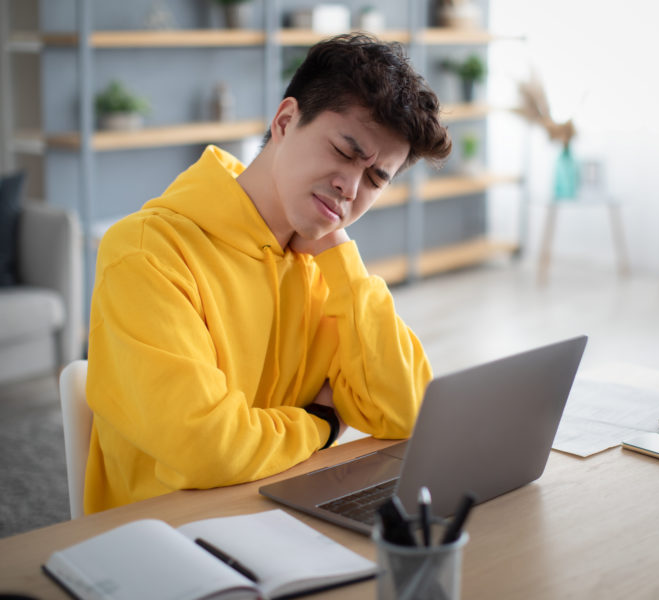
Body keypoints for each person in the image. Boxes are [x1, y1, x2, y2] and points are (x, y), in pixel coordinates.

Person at [84, 33, 452, 513]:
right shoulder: (147, 252)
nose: (351, 187)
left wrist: (342, 261)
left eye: (376, 178)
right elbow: (206, 448)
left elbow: (407, 412)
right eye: (345, 151)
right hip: (164, 538)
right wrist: (319, 421)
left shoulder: (326, 271)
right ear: (285, 121)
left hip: (283, 515)